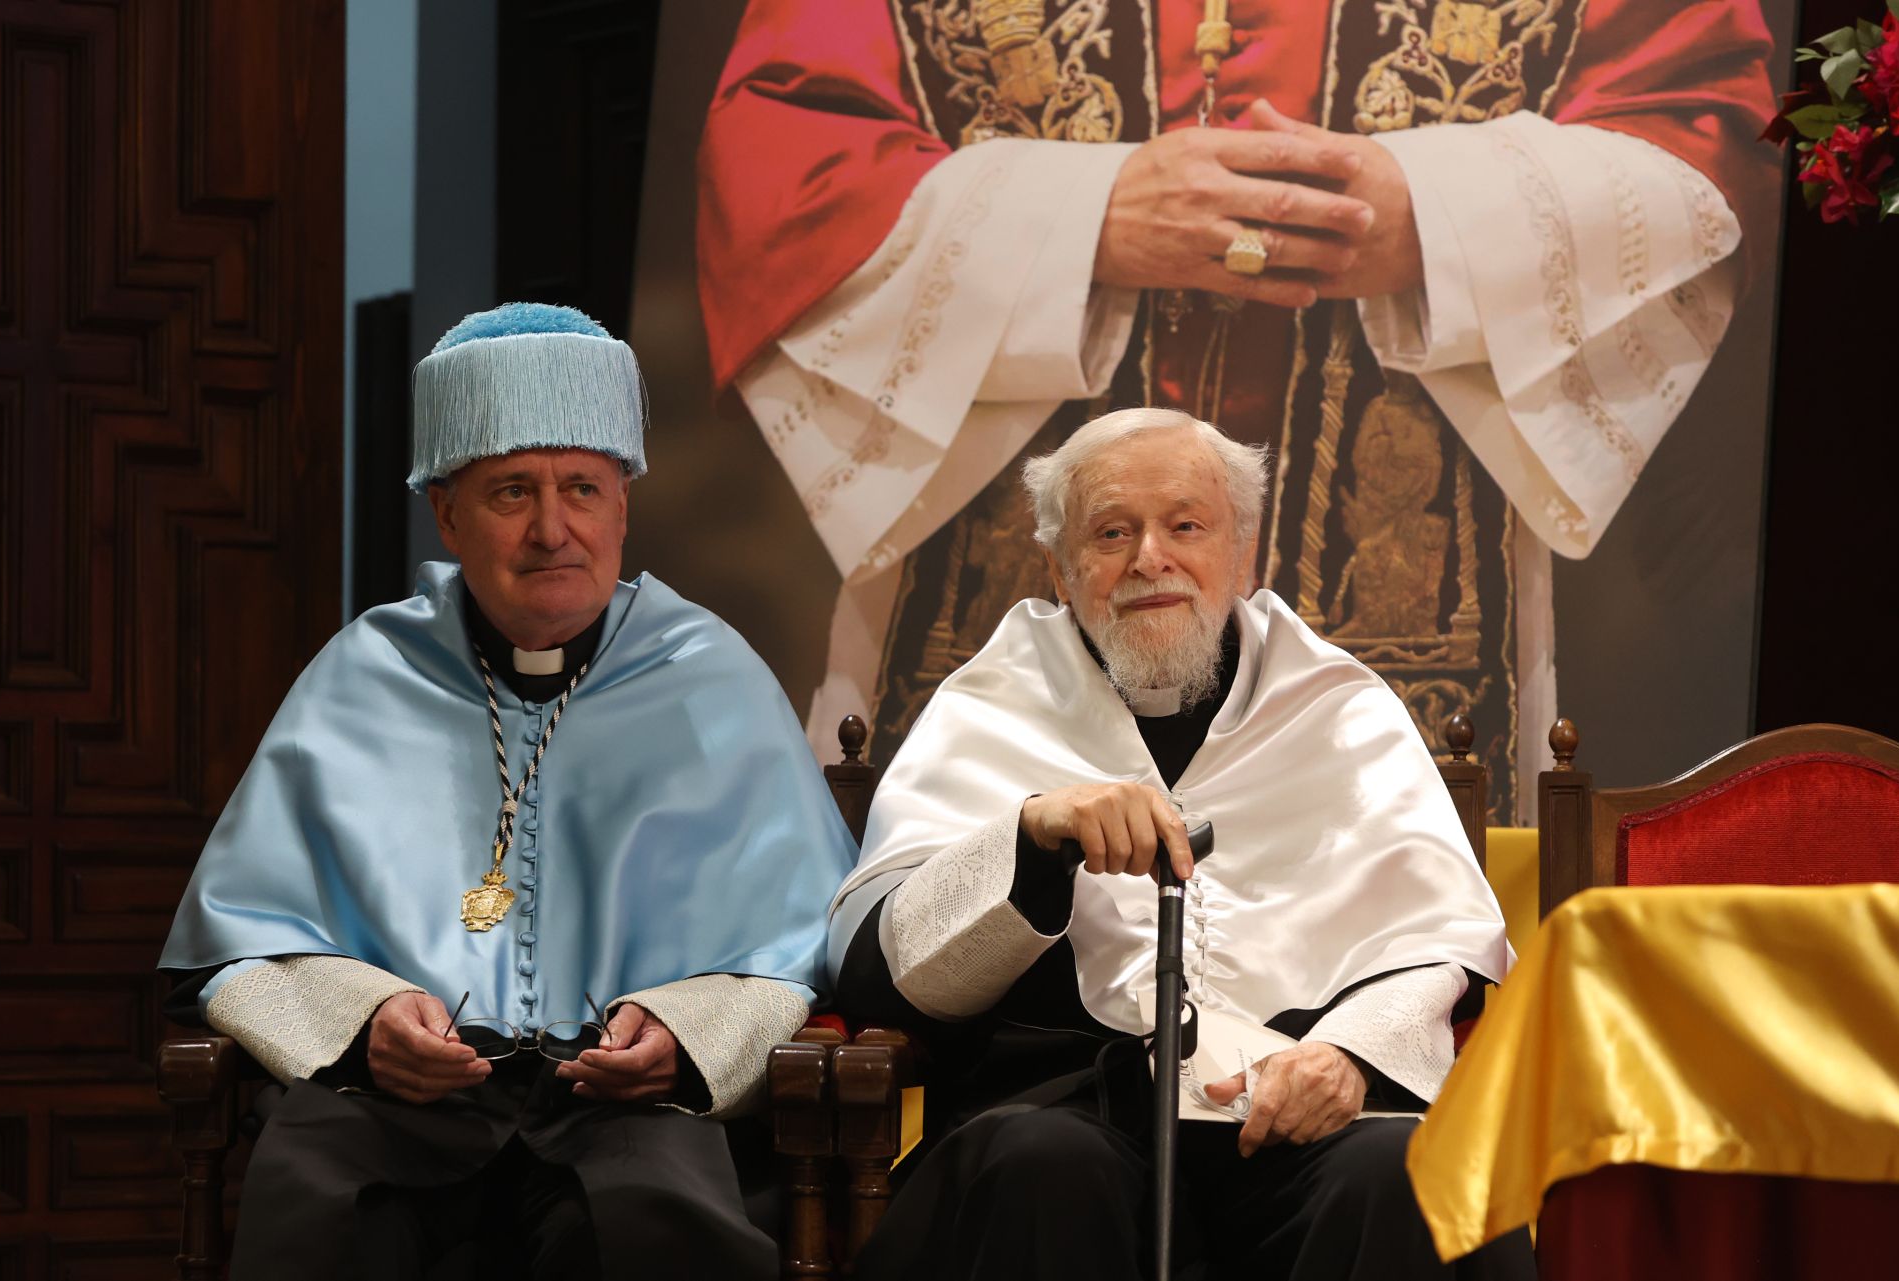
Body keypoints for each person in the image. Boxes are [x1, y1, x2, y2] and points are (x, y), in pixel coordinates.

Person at [698, 0, 1779, 814]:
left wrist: (1436, 218)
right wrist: (1085, 219)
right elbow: (779, 156)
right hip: (983, 565)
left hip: (1422, 568)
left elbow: (1698, 123)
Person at [158, 302, 857, 1279]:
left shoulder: (710, 676)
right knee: (317, 1211)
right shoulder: (366, 674)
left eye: (582, 487)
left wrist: (687, 1032)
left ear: (623, 507)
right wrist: (363, 1023)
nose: (551, 530)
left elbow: (796, 947)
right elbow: (244, 940)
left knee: (654, 1224)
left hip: (624, 1104)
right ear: (446, 513)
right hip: (394, 1104)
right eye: (510, 493)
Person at [827, 406, 1528, 1279]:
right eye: (1112, 531)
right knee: (1038, 1166)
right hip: (1075, 1107)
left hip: (1292, 1120)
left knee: (1407, 1176)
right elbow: (878, 971)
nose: (1150, 557)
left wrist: (1347, 1053)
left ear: (1242, 550)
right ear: (1060, 565)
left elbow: (1435, 941)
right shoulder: (990, 706)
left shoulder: (1337, 705)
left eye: (1185, 525)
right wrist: (1031, 838)